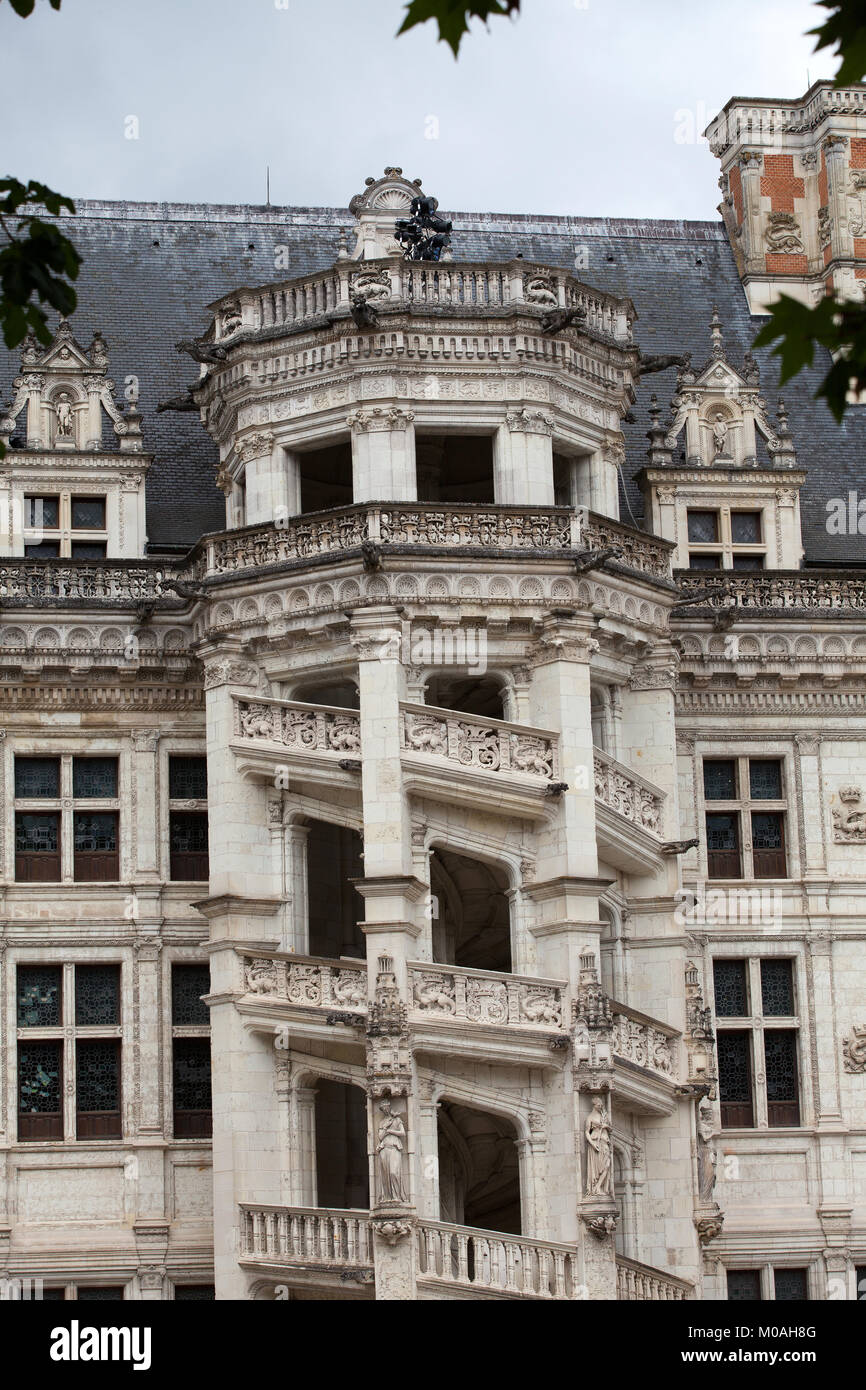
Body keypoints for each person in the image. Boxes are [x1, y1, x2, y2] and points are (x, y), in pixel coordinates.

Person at [376, 1098, 407, 1202]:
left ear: (389, 1107)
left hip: (394, 1147)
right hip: (384, 1148)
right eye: (383, 1109)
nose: (385, 1110)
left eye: (386, 1107)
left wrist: (390, 1130)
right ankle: (387, 1197)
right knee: (386, 1174)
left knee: (394, 1172)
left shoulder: (397, 1120)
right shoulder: (382, 1122)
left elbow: (403, 1133)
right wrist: (385, 1128)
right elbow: (380, 1137)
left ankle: (397, 1196)